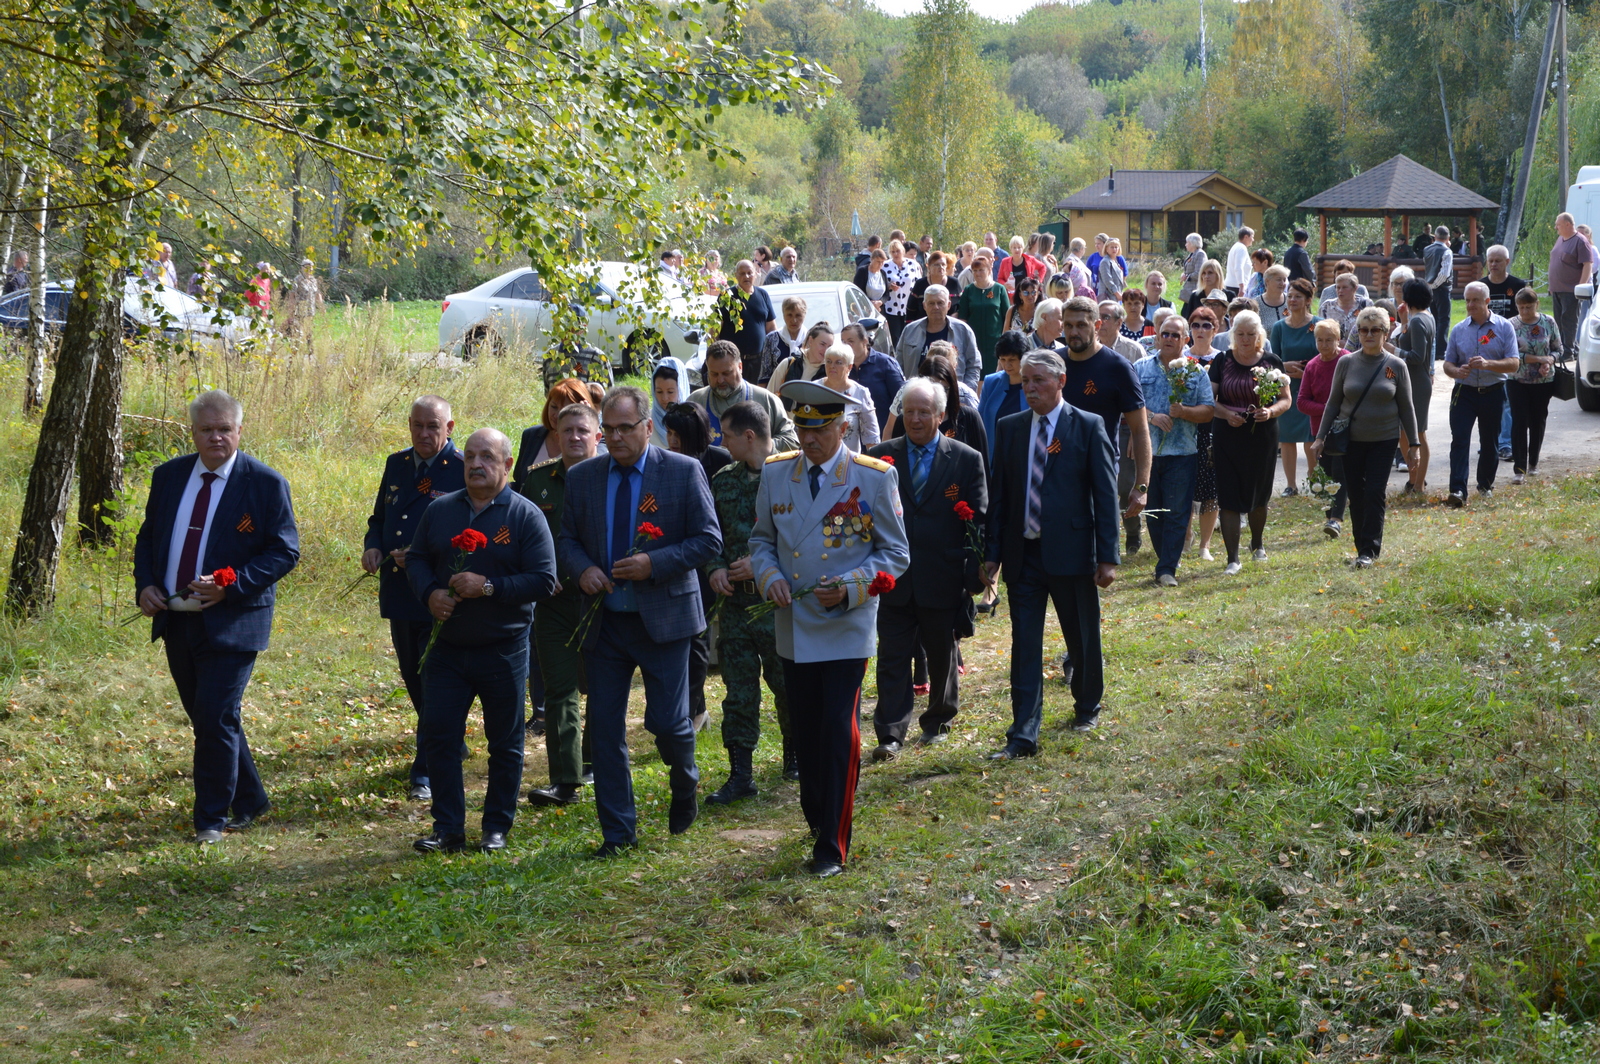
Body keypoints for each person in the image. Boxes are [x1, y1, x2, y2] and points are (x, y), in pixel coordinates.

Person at [749, 380, 909, 876]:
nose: (808, 439)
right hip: (794, 625)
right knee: (807, 729)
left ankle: (832, 844)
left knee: (839, 730)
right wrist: (769, 576)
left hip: (844, 625)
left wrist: (851, 586)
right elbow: (761, 541)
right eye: (800, 429)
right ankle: (817, 815)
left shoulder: (873, 478)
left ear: (843, 427)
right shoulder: (777, 474)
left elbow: (895, 553)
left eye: (818, 430)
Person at [558, 386, 722, 857]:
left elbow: (709, 540)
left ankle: (685, 780)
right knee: (604, 730)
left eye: (625, 429)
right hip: (606, 622)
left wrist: (656, 563)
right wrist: (583, 569)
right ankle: (618, 833)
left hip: (665, 618)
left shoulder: (683, 471)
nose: (615, 438)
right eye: (607, 430)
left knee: (668, 724)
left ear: (648, 428)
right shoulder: (585, 477)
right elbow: (566, 539)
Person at [133, 390, 300, 845]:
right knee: (208, 716)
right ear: (193, 433)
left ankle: (210, 818)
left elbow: (285, 550)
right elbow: (149, 539)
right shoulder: (168, 477)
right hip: (178, 618)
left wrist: (233, 584)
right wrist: (145, 585)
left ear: (239, 430)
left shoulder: (264, 483)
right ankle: (251, 797)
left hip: (235, 621)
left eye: (225, 428)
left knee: (215, 714)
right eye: (206, 430)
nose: (216, 438)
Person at [405, 428, 558, 854]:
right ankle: (448, 827)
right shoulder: (440, 511)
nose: (475, 464)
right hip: (446, 650)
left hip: (503, 650)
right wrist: (430, 593)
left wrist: (489, 587)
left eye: (487, 457)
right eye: (470, 456)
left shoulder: (526, 515)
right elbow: (416, 559)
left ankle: (496, 827)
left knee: (505, 743)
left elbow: (545, 580)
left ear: (507, 465)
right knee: (440, 737)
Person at [983, 349, 1118, 756]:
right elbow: (1000, 496)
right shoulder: (1010, 428)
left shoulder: (1088, 426)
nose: (1030, 388)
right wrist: (992, 554)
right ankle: (1023, 733)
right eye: (1025, 381)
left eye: (1038, 380)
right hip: (1023, 555)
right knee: (1025, 643)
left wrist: (1107, 555)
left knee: (1080, 634)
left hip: (1073, 553)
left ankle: (1086, 703)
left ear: (1060, 382)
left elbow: (1105, 493)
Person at [865, 377, 986, 759]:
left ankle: (938, 719)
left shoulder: (965, 459)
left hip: (943, 574)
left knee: (941, 654)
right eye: (908, 412)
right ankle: (890, 733)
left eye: (923, 412)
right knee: (893, 657)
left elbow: (978, 519)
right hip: (893, 579)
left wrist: (974, 573)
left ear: (940, 415)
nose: (914, 420)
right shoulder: (880, 456)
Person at [362, 396, 465, 803]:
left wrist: (425, 556)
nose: (424, 434)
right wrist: (373, 546)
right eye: (417, 426)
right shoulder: (397, 464)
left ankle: (425, 770)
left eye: (432, 426)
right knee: (413, 678)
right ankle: (447, 740)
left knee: (434, 681)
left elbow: (472, 531)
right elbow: (379, 519)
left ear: (449, 427)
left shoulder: (462, 469)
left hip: (438, 593)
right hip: (399, 591)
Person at [704, 402, 795, 801]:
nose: (721, 443)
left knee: (787, 684)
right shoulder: (723, 479)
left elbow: (802, 540)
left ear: (749, 436)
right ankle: (741, 773)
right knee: (738, 691)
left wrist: (762, 566)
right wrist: (715, 568)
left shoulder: (791, 475)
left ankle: (796, 756)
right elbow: (710, 534)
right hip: (736, 608)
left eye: (726, 435)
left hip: (776, 604)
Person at [521, 403, 603, 808]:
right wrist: (538, 573)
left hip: (599, 600)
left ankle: (595, 761)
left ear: (597, 437)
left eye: (582, 431)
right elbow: (518, 533)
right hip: (552, 603)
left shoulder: (611, 478)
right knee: (560, 689)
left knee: (603, 685)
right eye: (566, 430)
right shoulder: (537, 482)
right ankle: (566, 780)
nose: (573, 437)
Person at [1309, 308, 1420, 567]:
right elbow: (1333, 403)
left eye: (1375, 330)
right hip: (1351, 441)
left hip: (1384, 440)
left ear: (1385, 333)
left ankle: (1370, 550)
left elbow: (1407, 406)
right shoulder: (1346, 363)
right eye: (1363, 330)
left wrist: (1414, 444)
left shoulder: (1395, 366)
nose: (1369, 335)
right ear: (1357, 332)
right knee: (1356, 494)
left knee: (1374, 492)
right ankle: (1362, 548)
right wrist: (1320, 437)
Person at [662, 402, 733, 734]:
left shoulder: (719, 461)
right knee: (682, 639)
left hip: (710, 559)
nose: (672, 441)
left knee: (698, 636)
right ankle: (695, 708)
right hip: (675, 558)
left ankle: (693, 712)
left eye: (679, 434)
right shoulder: (664, 463)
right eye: (669, 433)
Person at [1208, 311, 1290, 574]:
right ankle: (1233, 558)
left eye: (1251, 334)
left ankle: (1257, 543)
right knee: (1228, 494)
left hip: (1262, 436)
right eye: (1240, 334)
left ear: (1259, 336)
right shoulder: (1222, 360)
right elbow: (1210, 399)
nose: (1245, 339)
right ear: (1233, 334)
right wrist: (1226, 414)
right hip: (1227, 433)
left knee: (1259, 493)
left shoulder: (1271, 361)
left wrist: (1270, 412)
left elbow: (1285, 399)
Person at [1134, 317, 1215, 586]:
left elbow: (1208, 411)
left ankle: (1167, 568)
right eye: (1164, 334)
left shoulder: (1196, 372)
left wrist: (1185, 412)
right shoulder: (1140, 368)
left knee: (1178, 512)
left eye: (1175, 335)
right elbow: (1129, 408)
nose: (1169, 338)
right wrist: (1152, 416)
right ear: (1157, 336)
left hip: (1182, 452)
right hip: (1149, 454)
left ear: (1185, 340)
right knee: (1154, 512)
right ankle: (1165, 559)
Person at [1069, 296, 1149, 559]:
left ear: (1097, 325)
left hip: (1101, 471)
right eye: (1068, 325)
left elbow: (1140, 429)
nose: (1074, 332)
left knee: (1096, 554)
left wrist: (1141, 486)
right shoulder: (1054, 365)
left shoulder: (1118, 368)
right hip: (1057, 467)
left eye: (1081, 325)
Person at [1442, 282, 1519, 507]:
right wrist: (1457, 371)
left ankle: (1485, 485)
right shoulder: (1458, 329)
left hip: (1493, 392)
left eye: (1475, 300)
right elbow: (1447, 364)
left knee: (1490, 441)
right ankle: (1457, 490)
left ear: (1487, 302)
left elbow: (1514, 363)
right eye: (1467, 300)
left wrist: (1488, 364)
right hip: (1464, 393)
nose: (1470, 305)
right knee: (1460, 440)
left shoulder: (1504, 327)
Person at [688, 339, 800, 454]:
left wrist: (755, 445)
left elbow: (791, 442)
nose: (720, 380)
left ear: (740, 367)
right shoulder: (696, 401)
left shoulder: (766, 399)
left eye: (726, 373)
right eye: (714, 374)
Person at [1269, 278, 1321, 497]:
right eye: (1290, 296)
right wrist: (1285, 366)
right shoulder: (1279, 327)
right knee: (1287, 437)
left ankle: (1315, 482)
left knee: (1311, 437)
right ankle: (1291, 485)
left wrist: (1306, 371)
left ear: (1308, 300)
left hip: (1312, 388)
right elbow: (1272, 361)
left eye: (1298, 296)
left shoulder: (1317, 324)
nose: (1292, 300)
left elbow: (1324, 356)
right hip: (1286, 389)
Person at [1299, 320, 1351, 536]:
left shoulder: (1348, 360)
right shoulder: (1312, 366)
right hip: (1320, 430)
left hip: (1345, 428)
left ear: (1338, 340)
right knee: (1327, 474)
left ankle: (1336, 519)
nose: (1324, 344)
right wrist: (1326, 409)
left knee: (1340, 472)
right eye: (1319, 340)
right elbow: (1302, 401)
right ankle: (1330, 518)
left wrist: (1338, 410)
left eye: (1329, 340)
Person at [1507, 287, 1562, 484]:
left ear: (1536, 304)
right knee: (1519, 421)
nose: (1524, 312)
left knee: (1538, 420)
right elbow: (1511, 354)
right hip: (1517, 380)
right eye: (1521, 307)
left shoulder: (1548, 322)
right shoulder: (1511, 325)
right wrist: (1539, 358)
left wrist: (1549, 361)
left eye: (1529, 307)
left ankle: (1534, 463)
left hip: (1543, 381)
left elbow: (1558, 349)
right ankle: (1519, 468)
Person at [888, 349, 987, 455]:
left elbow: (982, 466)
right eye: (930, 388)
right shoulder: (905, 420)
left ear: (952, 388)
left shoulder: (969, 418)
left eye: (944, 389)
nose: (937, 393)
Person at [513, 378, 596, 491]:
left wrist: (589, 421)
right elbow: (519, 481)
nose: (557, 415)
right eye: (554, 407)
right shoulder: (531, 435)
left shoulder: (594, 440)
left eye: (565, 409)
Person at [894, 284, 981, 392]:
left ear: (949, 305)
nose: (936, 307)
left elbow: (974, 365)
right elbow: (898, 366)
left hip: (953, 395)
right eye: (931, 303)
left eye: (940, 303)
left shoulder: (963, 331)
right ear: (924, 305)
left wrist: (965, 392)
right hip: (917, 395)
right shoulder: (910, 330)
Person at [1187, 308, 1223, 560]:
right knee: (1184, 488)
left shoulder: (1222, 359)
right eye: (1196, 325)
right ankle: (1186, 536)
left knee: (1211, 489)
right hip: (1185, 429)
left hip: (1212, 431)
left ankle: (1205, 545)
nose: (1200, 330)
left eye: (1206, 325)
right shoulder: (1179, 357)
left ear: (1216, 330)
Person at [718, 260, 777, 383]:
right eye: (742, 273)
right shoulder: (727, 296)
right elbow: (715, 330)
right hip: (733, 362)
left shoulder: (763, 295)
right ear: (736, 275)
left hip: (759, 362)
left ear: (755, 274)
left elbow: (771, 328)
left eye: (749, 273)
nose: (746, 276)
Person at [844, 320, 905, 435]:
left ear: (865, 341)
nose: (847, 346)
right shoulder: (842, 367)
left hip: (884, 435)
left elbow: (901, 400)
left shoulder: (885, 363)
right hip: (851, 438)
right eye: (843, 342)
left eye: (851, 341)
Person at [1548, 212, 1594, 363]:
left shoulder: (1580, 241)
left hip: (1571, 290)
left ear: (1568, 224)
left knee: (1569, 321)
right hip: (1557, 289)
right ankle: (1569, 350)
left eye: (1558, 224)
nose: (1556, 227)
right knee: (1559, 321)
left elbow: (1588, 264)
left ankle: (1567, 353)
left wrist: (1580, 286)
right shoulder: (1560, 239)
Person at [821, 342, 880, 452]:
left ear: (849, 367)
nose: (832, 366)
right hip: (818, 456)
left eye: (838, 362)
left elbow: (872, 437)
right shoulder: (814, 388)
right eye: (828, 361)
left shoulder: (860, 393)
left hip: (848, 461)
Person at [961, 255, 1012, 374]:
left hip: (995, 343)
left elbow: (1008, 317)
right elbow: (963, 318)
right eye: (975, 271)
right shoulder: (968, 290)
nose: (978, 273)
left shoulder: (999, 289)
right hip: (974, 343)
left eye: (981, 270)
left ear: (989, 270)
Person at [756, 294, 809, 387]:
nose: (794, 320)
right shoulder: (771, 339)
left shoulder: (811, 339)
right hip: (777, 392)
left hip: (804, 393)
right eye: (789, 315)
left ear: (804, 315)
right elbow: (764, 375)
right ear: (783, 314)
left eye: (798, 315)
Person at [770, 321, 835, 396]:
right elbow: (769, 396)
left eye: (829, 346)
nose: (825, 350)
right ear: (810, 341)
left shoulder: (829, 371)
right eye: (822, 344)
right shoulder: (789, 364)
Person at [1423, 227, 1455, 362]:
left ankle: (1432, 348)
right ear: (1448, 238)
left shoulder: (1426, 249)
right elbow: (1444, 273)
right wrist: (1435, 285)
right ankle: (1441, 351)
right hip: (1441, 288)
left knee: (1433, 318)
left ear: (1434, 237)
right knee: (1443, 319)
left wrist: (1430, 286)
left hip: (1428, 287)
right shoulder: (1447, 251)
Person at [881, 239, 921, 343]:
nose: (895, 254)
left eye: (897, 251)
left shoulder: (913, 264)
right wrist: (889, 286)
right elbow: (880, 285)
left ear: (903, 251)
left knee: (910, 336)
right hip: (892, 307)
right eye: (892, 252)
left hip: (910, 306)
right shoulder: (885, 266)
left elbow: (919, 283)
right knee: (895, 337)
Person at [649, 357, 693, 449]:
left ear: (681, 389)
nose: (664, 398)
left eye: (670, 392)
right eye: (659, 392)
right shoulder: (646, 421)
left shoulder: (693, 420)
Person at [909, 251, 960, 324]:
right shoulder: (920, 284)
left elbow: (962, 306)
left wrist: (957, 314)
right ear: (928, 266)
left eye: (943, 264)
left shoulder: (954, 283)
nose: (941, 267)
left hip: (950, 326)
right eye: (936, 265)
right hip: (923, 327)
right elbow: (911, 309)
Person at [1256, 264, 1290, 333]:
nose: (1282, 283)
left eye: (1284, 280)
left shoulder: (1291, 300)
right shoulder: (1256, 303)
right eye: (1279, 280)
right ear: (1267, 281)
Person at [854, 248, 889, 312]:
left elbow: (887, 294)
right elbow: (857, 291)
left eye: (882, 262)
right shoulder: (862, 271)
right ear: (871, 259)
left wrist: (880, 302)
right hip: (865, 308)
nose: (880, 264)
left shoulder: (883, 273)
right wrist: (870, 302)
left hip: (880, 309)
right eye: (878, 261)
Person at [1223, 227, 1254, 299]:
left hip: (1232, 286)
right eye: (1252, 237)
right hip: (1237, 288)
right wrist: (1242, 286)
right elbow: (1238, 268)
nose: (1253, 240)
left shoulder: (1236, 246)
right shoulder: (1241, 248)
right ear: (1246, 237)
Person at [1177, 234, 1206, 302]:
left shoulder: (1200, 254)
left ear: (1193, 243)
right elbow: (1188, 270)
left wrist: (1186, 276)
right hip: (1189, 291)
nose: (1185, 245)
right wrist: (1183, 274)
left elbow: (1199, 273)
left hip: (1196, 291)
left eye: (1187, 242)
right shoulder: (1192, 254)